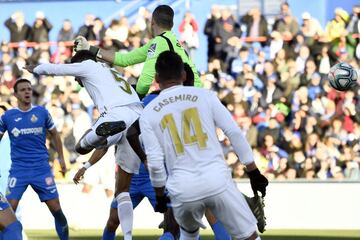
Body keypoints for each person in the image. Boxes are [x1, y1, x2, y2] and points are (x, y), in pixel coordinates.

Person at [140, 51, 268, 240]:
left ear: (157, 78)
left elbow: (155, 161)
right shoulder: (205, 96)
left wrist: (159, 195)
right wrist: (253, 171)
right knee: (249, 236)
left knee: (189, 234)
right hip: (217, 181)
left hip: (183, 189)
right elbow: (233, 132)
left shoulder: (149, 112)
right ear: (183, 74)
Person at [25, 50, 143, 240]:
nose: (78, 81)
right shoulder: (111, 71)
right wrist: (86, 166)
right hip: (137, 120)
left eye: (77, 76)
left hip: (115, 113)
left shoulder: (89, 65)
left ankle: (98, 134)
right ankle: (128, 237)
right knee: (123, 190)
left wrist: (37, 69)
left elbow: (60, 69)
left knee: (81, 146)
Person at [73, 4, 202, 98]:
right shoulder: (169, 40)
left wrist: (135, 97)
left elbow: (144, 83)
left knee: (133, 130)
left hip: (186, 95)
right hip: (195, 93)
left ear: (152, 23)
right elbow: (124, 60)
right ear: (171, 25)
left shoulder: (159, 42)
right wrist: (89, 48)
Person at [0, 79, 68, 240]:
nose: (27, 92)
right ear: (16, 94)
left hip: (41, 169)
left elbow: (56, 135)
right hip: (18, 170)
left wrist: (62, 159)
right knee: (8, 214)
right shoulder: (8, 117)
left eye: (29, 89)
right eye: (23, 90)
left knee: (56, 209)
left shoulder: (42, 113)